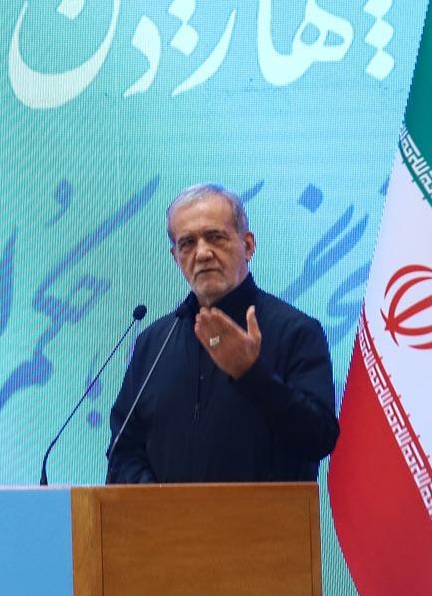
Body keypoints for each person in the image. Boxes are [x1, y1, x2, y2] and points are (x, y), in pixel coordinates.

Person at [105, 183, 339, 484]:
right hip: (165, 516)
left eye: (215, 237)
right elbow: (122, 451)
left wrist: (252, 374)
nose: (202, 253)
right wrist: (160, 500)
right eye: (187, 243)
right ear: (175, 257)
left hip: (265, 515)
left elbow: (319, 439)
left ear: (248, 245)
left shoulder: (295, 331)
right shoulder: (154, 342)